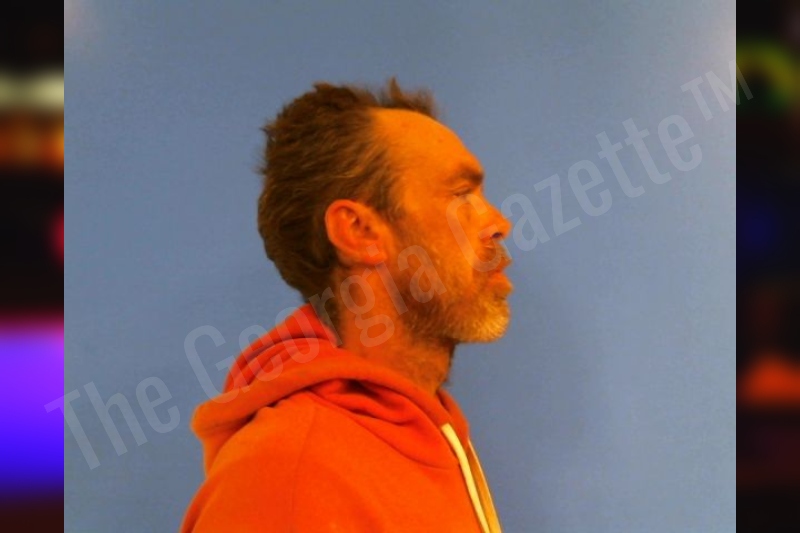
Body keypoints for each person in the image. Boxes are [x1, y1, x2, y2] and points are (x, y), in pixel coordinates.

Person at [181, 78, 513, 532]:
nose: (499, 222)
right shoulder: (287, 474)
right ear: (359, 232)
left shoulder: (433, 436)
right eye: (461, 195)